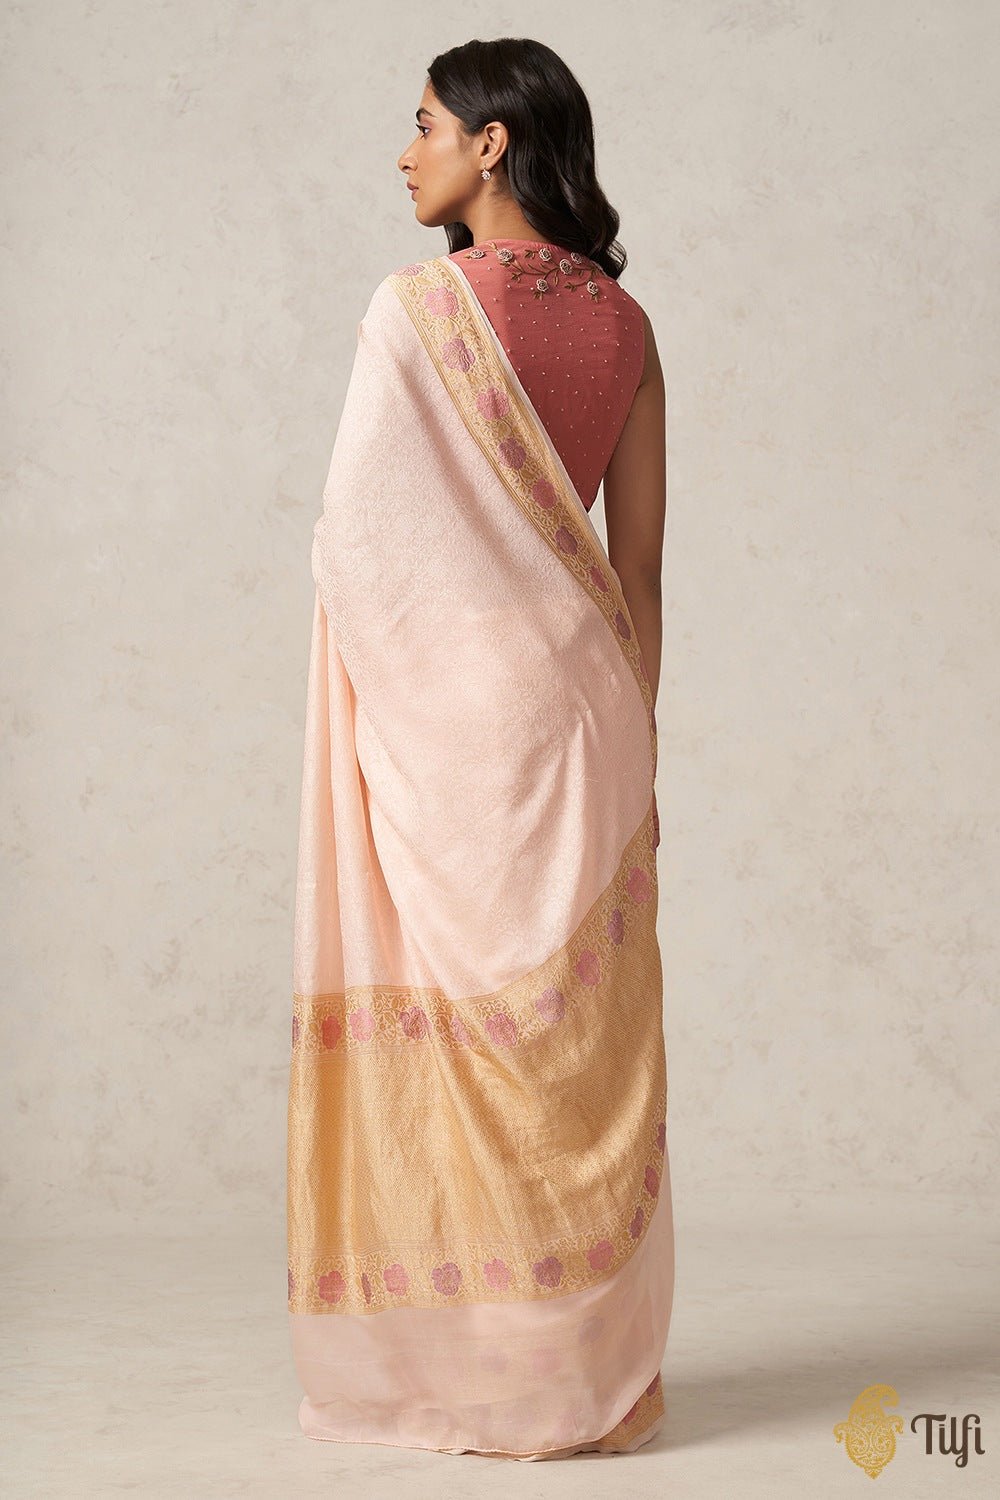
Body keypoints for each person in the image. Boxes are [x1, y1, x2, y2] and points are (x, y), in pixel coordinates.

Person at [286, 35, 673, 1462]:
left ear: (492, 143)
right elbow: (641, 566)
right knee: (574, 1043)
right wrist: (637, 743)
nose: (407, 153)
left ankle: (490, 1379)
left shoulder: (418, 310)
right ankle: (593, 1382)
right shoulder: (629, 327)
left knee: (470, 1032)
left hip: (456, 715)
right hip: (589, 709)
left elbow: (359, 548)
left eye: (426, 124)